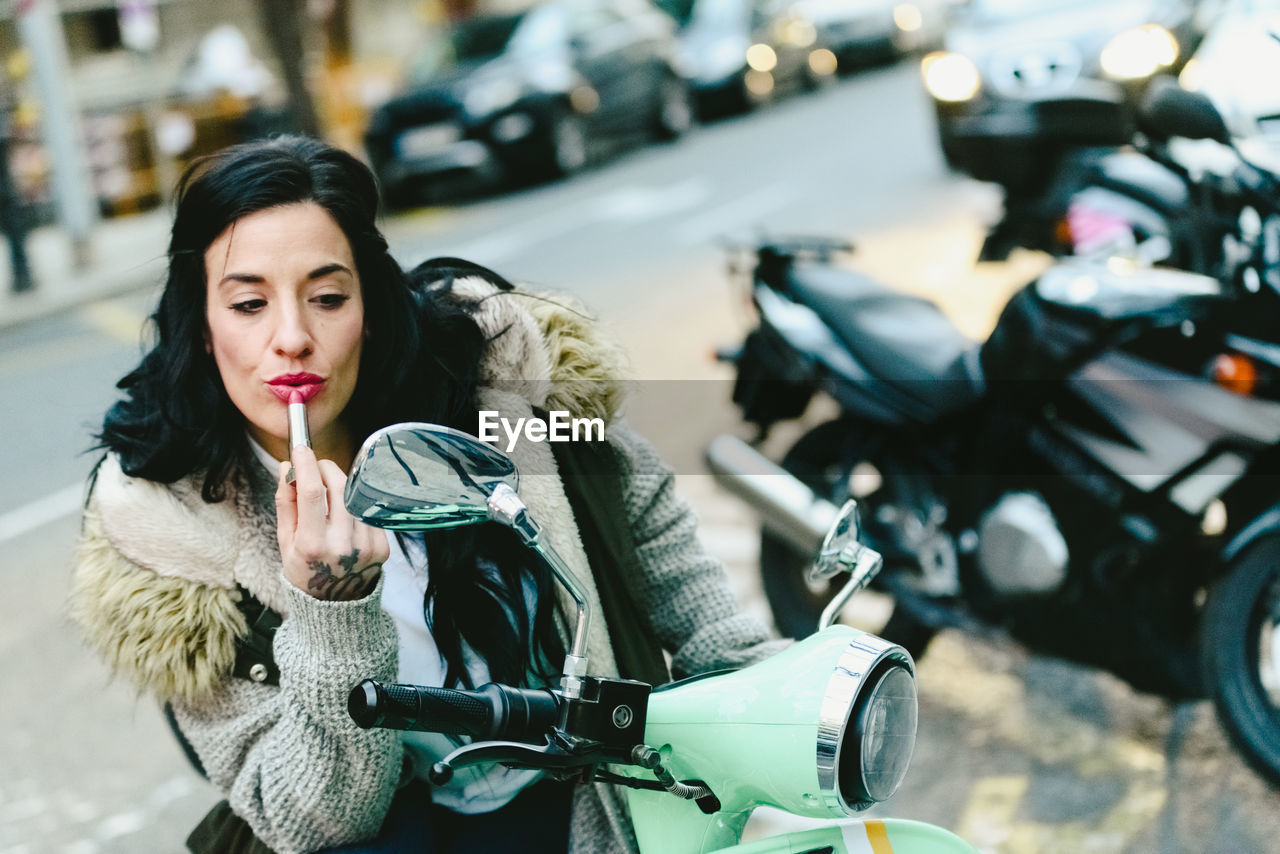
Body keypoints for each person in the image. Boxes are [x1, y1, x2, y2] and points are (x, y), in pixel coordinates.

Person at [70, 135, 783, 854]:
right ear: (201, 326)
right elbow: (313, 822)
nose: (292, 337)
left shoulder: (502, 387)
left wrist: (777, 701)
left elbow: (686, 589)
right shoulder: (168, 532)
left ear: (370, 310)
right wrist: (333, 609)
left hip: (593, 810)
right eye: (249, 304)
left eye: (326, 297)